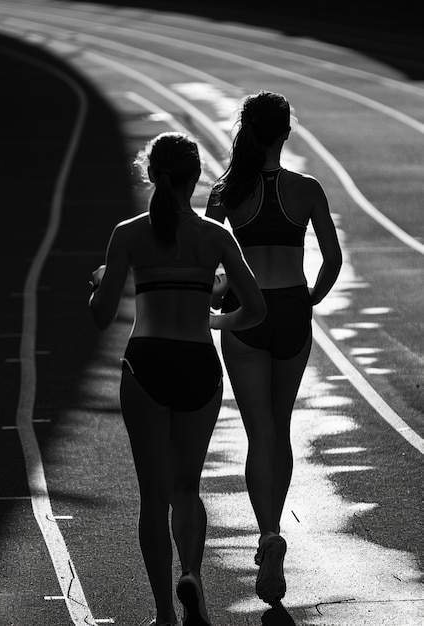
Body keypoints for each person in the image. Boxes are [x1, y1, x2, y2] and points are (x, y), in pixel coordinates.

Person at [89, 132, 266, 626]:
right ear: (194, 179)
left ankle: (165, 613)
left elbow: (101, 318)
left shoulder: (128, 233)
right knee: (188, 487)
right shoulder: (215, 236)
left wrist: (102, 284)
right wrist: (213, 320)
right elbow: (255, 308)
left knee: (154, 496)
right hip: (198, 365)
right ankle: (192, 576)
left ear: (151, 175)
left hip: (147, 363)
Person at [206, 91, 342, 605]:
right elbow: (332, 258)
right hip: (290, 311)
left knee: (257, 431)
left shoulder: (225, 193)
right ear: (287, 132)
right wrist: (309, 300)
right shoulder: (306, 189)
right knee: (279, 429)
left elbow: (205, 261)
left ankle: (267, 534)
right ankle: (274, 529)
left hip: (246, 310)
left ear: (247, 131)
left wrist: (217, 302)